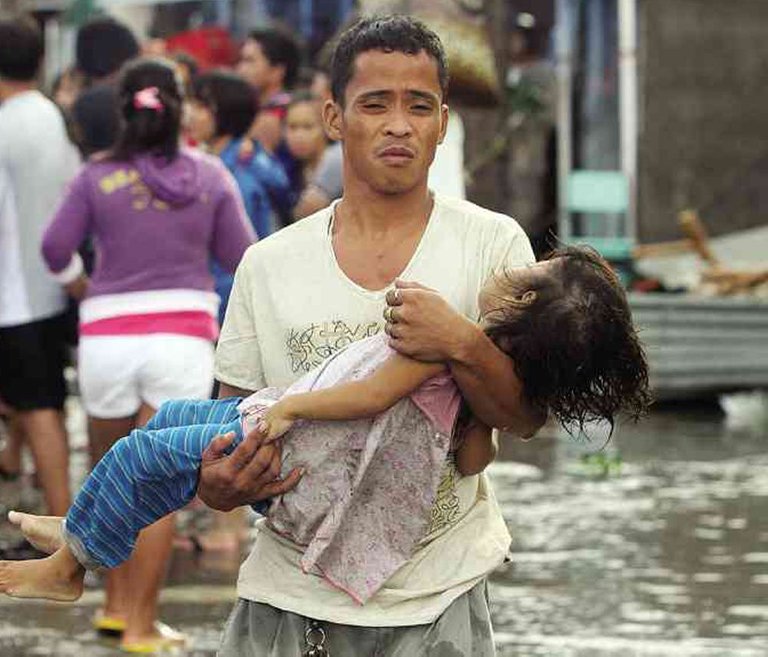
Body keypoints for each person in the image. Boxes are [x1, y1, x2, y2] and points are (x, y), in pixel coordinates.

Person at [0, 245, 651, 606]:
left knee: (139, 454)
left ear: (516, 304)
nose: (508, 265)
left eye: (523, 272)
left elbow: (367, 395)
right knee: (168, 430)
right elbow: (476, 458)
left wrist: (290, 408)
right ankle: (90, 527)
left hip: (285, 439)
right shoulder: (477, 385)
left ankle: (68, 567)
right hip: (280, 436)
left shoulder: (439, 347)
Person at [199, 15, 553, 656]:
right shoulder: (270, 263)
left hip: (437, 595)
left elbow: (525, 416)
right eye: (374, 105)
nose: (398, 125)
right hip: (289, 594)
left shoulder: (493, 245)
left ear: (443, 123)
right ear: (334, 118)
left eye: (419, 106)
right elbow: (228, 424)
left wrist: (462, 342)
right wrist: (218, 485)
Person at [38, 57, 255, 653]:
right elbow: (246, 258)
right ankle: (140, 624)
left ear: (122, 110)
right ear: (178, 108)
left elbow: (54, 247)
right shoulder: (210, 177)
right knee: (159, 481)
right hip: (180, 340)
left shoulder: (94, 176)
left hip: (106, 338)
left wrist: (83, 283)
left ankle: (110, 605)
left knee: (109, 471)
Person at [0, 16, 80, 522]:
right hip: (48, 286)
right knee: (37, 401)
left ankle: (59, 525)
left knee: (40, 407)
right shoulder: (51, 116)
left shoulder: (6, 124)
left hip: (14, 293)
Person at [187, 70, 291, 323]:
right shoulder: (224, 163)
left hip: (229, 313)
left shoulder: (236, 178)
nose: (190, 113)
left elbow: (235, 262)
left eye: (201, 107)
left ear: (225, 115)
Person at [284, 91, 344, 219]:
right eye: (292, 127)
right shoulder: (288, 167)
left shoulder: (336, 159)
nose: (299, 136)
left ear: (326, 127)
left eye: (308, 127)